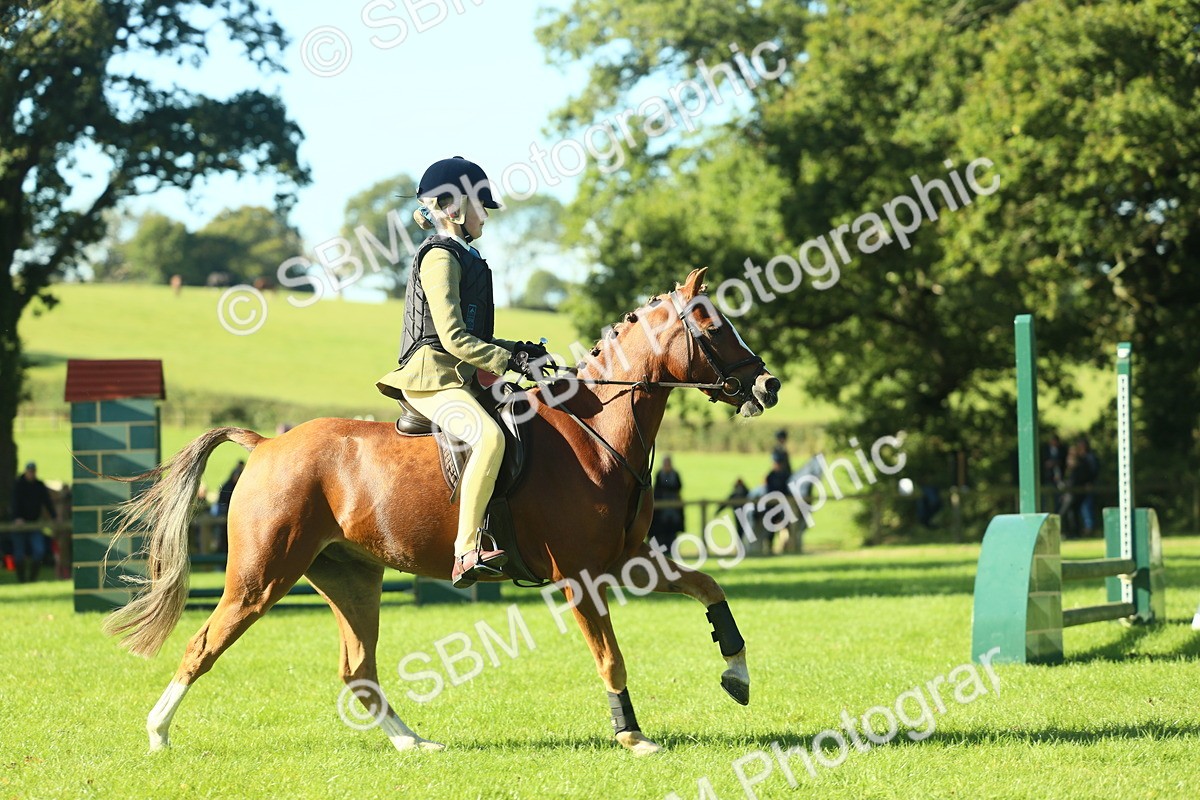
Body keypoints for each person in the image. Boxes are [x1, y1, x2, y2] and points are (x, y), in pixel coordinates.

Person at [375, 156, 548, 588]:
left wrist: (519, 350)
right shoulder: (440, 257)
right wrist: (508, 362)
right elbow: (453, 339)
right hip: (430, 378)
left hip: (459, 377)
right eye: (480, 206)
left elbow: (476, 337)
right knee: (488, 438)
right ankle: (466, 552)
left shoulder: (467, 257)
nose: (485, 216)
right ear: (454, 207)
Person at [10, 462, 58, 583]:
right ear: (26, 471)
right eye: (30, 471)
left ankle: (32, 579)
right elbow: (14, 502)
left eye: (33, 471)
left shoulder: (39, 485)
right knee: (19, 554)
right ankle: (21, 580)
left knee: (39, 551)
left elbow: (47, 501)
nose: (31, 474)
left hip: (34, 523)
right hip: (20, 525)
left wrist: (54, 516)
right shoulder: (18, 485)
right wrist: (17, 517)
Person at [649, 457, 684, 554]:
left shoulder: (675, 474)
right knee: (662, 530)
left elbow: (679, 487)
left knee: (673, 530)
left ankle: (672, 550)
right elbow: (658, 489)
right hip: (662, 509)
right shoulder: (660, 474)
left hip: (673, 508)